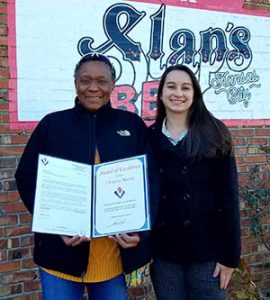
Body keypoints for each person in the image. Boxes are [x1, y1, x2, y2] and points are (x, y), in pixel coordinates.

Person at [15, 53, 159, 300]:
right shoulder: (53, 125)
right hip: (58, 257)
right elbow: (27, 176)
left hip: (113, 260)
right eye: (85, 80)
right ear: (75, 84)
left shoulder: (132, 125)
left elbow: (152, 181)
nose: (93, 88)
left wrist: (142, 231)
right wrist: (53, 223)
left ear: (113, 85)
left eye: (102, 81)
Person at [149, 64, 241, 300]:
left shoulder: (215, 133)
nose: (177, 93)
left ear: (194, 94)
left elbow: (228, 198)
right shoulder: (148, 138)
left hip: (207, 253)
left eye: (185, 87)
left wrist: (229, 257)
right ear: (160, 94)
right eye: (171, 86)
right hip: (164, 253)